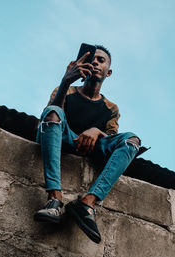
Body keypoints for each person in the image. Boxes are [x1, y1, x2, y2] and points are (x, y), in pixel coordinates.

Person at [34, 45, 140, 244]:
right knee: (53, 111)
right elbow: (50, 119)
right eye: (92, 58)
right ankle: (54, 198)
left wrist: (96, 131)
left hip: (92, 146)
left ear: (108, 72)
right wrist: (66, 81)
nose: (95, 62)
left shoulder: (111, 109)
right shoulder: (66, 90)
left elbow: (110, 140)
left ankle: (87, 203)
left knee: (132, 140)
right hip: (63, 138)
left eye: (101, 60)